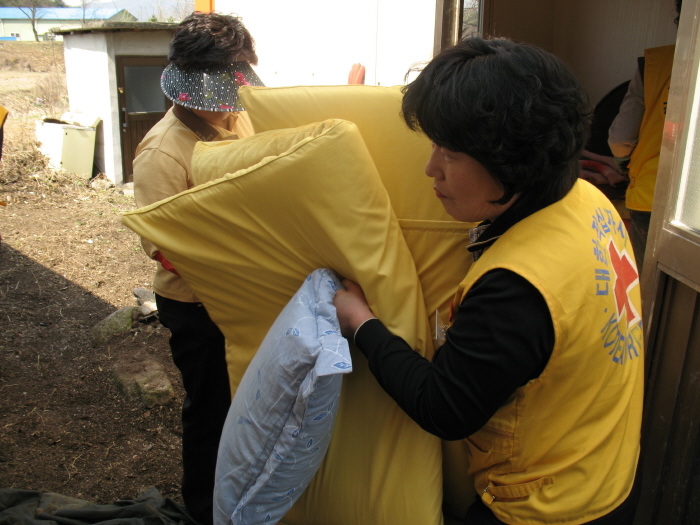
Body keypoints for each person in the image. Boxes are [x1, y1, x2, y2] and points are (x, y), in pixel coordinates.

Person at [333, 38, 644, 525]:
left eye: (451, 154)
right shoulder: (588, 199)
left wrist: (361, 324)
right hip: (606, 470)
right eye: (434, 143)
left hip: (544, 508)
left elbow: (444, 408)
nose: (430, 168)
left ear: (513, 159)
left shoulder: (517, 288)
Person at [132, 12, 263, 525]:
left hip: (249, 289)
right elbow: (164, 247)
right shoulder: (163, 151)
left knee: (250, 400)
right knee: (210, 408)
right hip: (197, 302)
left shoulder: (239, 115)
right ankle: (206, 509)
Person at [608, 0, 682, 270]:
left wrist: (621, 162)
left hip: (652, 195)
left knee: (650, 287)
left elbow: (620, 138)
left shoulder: (656, 64)